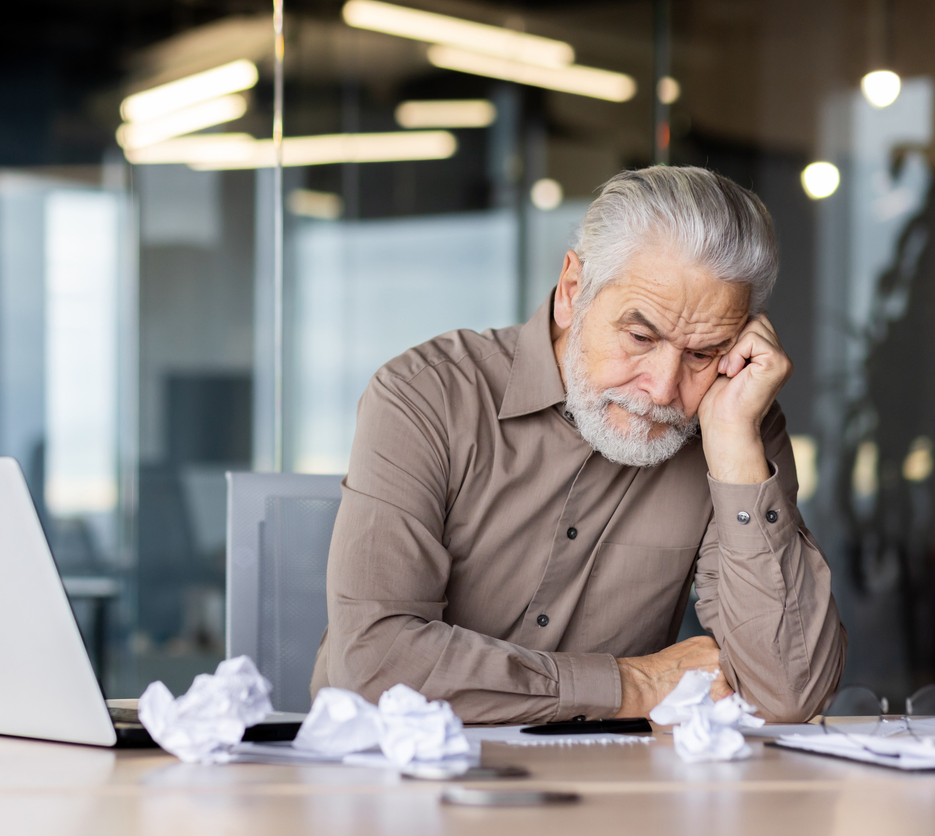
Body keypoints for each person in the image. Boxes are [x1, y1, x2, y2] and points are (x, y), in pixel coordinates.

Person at [309, 166, 847, 723]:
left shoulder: (734, 419)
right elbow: (372, 665)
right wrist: (633, 685)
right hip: (391, 786)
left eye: (703, 353)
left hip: (609, 791)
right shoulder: (428, 395)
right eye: (640, 337)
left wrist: (735, 445)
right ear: (572, 291)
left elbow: (789, 693)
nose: (663, 388)